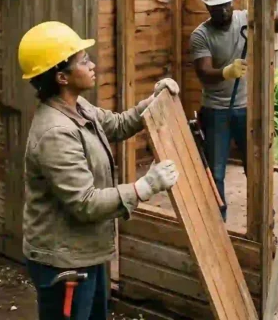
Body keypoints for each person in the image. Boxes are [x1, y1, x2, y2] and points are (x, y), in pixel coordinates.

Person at [18, 21, 181, 320]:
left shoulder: (78, 107)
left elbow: (117, 124)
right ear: (61, 77)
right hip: (63, 262)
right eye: (83, 61)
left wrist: (153, 101)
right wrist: (144, 187)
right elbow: (84, 203)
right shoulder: (55, 132)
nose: (92, 64)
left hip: (84, 251)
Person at [190, 0, 278, 219]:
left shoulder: (245, 20)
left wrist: (264, 12)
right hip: (216, 111)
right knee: (215, 172)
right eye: (217, 7)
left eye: (227, 4)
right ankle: (218, 222)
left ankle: (263, 221)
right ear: (207, 6)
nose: (224, 11)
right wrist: (226, 72)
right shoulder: (201, 35)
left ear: (233, 1)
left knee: (256, 166)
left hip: (245, 109)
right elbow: (204, 72)